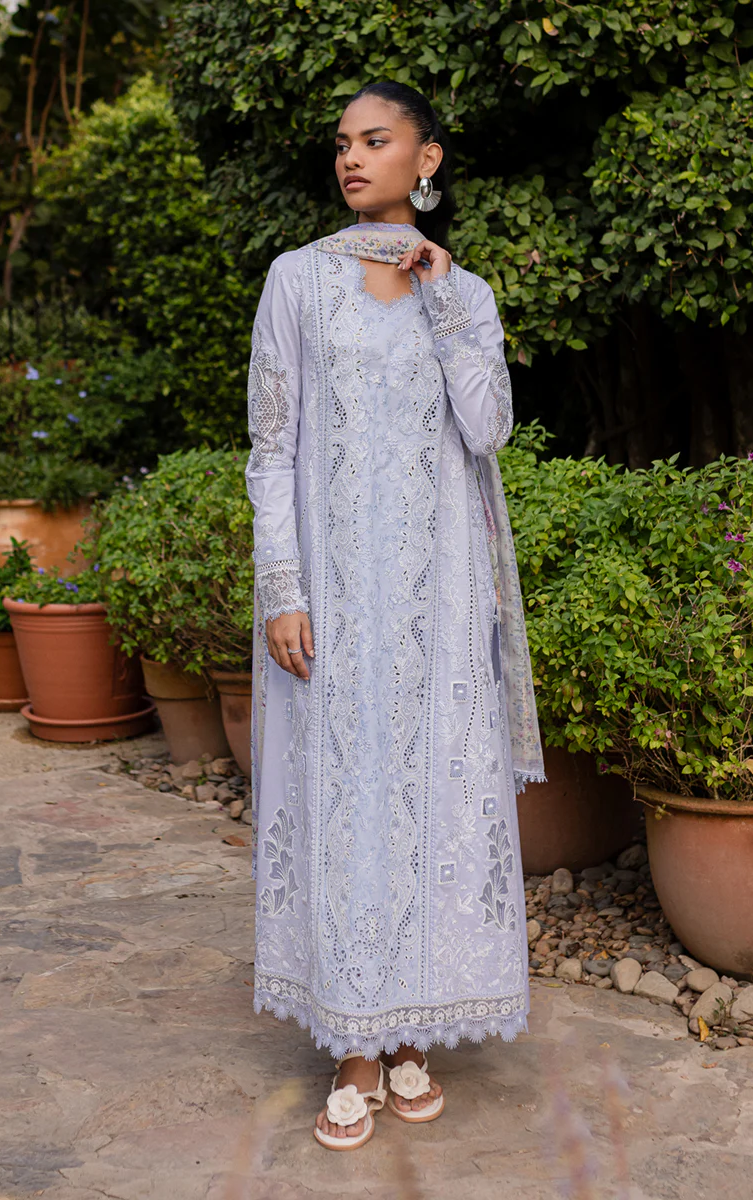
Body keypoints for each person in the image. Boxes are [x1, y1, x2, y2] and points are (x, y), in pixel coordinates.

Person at [244, 79, 545, 1151]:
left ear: (427, 159)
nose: (351, 158)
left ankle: (413, 1028)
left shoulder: (462, 292)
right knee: (345, 798)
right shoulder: (296, 280)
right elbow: (270, 446)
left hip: (439, 596)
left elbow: (489, 428)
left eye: (375, 141)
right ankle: (354, 1043)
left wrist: (447, 296)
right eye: (342, 143)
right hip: (332, 599)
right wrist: (282, 587)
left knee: (434, 795)